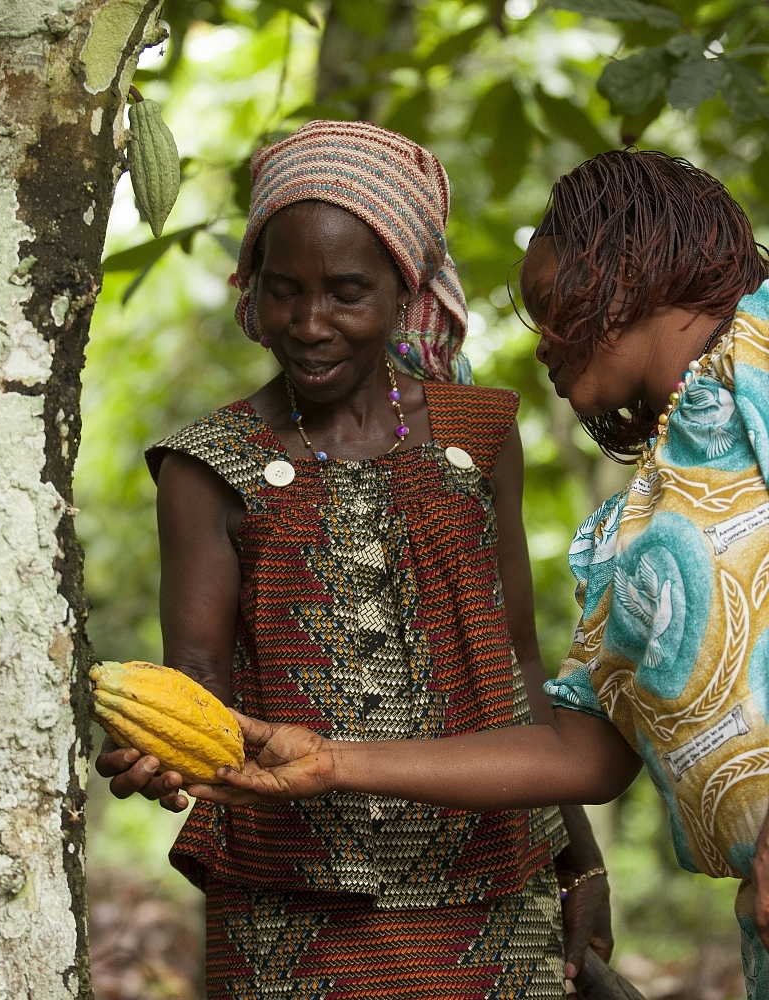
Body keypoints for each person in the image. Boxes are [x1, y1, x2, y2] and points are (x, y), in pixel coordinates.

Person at [183, 149, 769, 1000]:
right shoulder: (642, 516)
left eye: (550, 310)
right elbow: (587, 750)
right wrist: (333, 762)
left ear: (623, 273)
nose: (541, 351)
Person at [96, 120, 611, 998]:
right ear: (251, 290)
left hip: (491, 881)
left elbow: (519, 657)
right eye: (283, 289)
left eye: (346, 292)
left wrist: (580, 861)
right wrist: (158, 750)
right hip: (290, 904)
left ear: (404, 291)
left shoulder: (479, 434)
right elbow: (196, 677)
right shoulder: (208, 463)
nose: (309, 323)